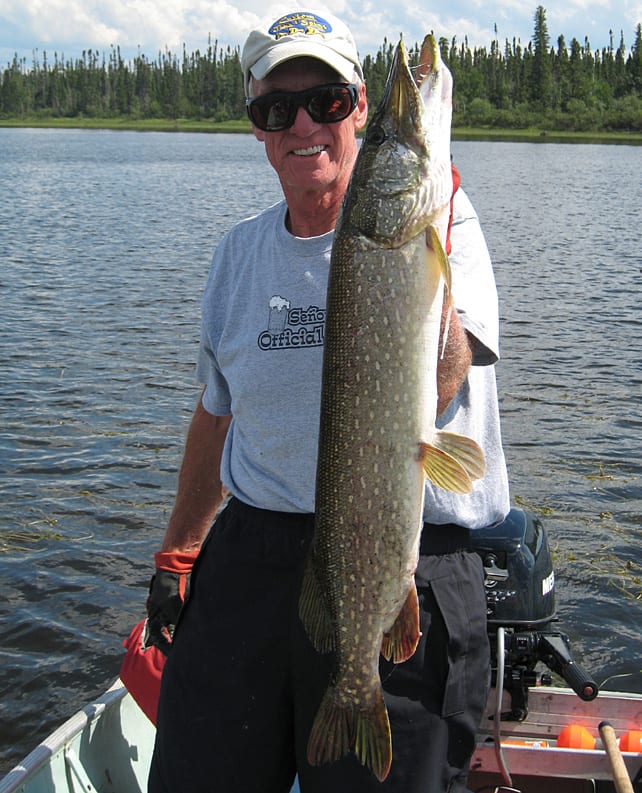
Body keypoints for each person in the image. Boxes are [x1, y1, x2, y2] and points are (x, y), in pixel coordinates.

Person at [145, 9, 510, 793]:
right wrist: (178, 551)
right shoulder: (239, 253)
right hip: (253, 559)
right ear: (259, 129)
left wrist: (428, 216)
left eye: (329, 102)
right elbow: (217, 416)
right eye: (279, 108)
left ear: (361, 108)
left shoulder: (445, 220)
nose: (304, 123)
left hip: (403, 552)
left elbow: (444, 379)